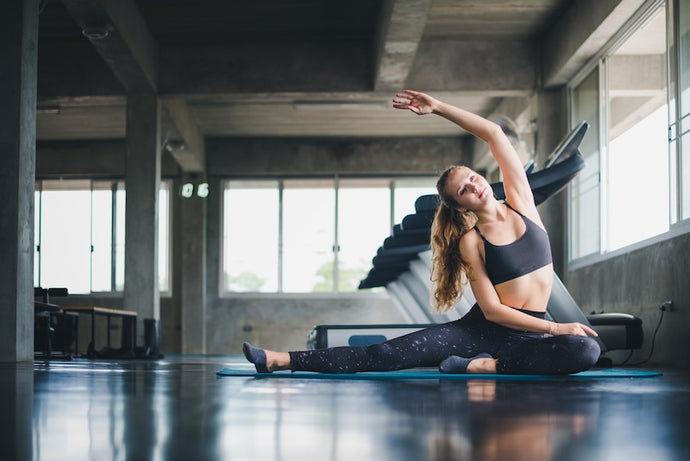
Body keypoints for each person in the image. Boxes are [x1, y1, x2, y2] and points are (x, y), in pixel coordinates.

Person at [243, 89, 600, 375]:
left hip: (528, 336)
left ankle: (484, 367)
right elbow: (491, 311)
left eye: (473, 177)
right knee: (383, 354)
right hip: (483, 330)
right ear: (461, 207)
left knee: (586, 350)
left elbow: (493, 134)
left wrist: (438, 107)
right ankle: (280, 359)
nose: (474, 186)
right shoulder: (471, 241)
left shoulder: (522, 202)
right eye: (464, 190)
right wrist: (557, 328)